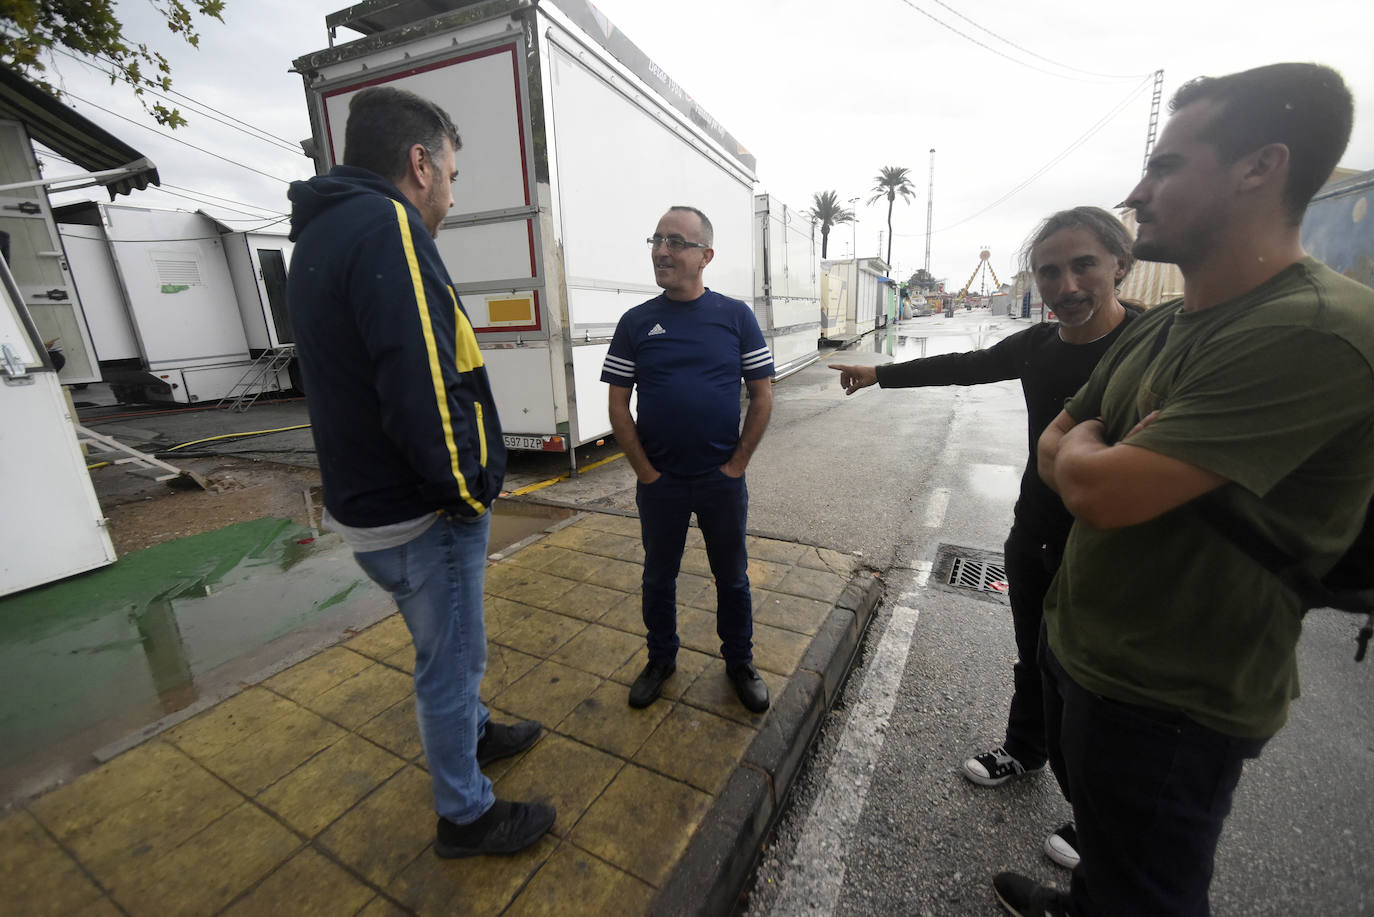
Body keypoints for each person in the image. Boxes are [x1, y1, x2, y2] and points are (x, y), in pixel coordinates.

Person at [994, 63, 1374, 917]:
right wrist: (1093, 449)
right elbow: (1064, 440)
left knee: (1152, 889)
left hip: (1173, 699)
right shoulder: (1169, 322)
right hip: (1090, 651)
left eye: (1166, 165)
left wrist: (1093, 451)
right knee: (1109, 847)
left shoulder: (1317, 330)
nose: (1137, 190)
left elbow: (1094, 488)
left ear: (1258, 167)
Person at [286, 85, 554, 859]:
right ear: (419, 163)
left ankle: (475, 735)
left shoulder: (325, 234)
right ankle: (466, 815)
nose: (450, 189)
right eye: (453, 172)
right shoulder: (389, 225)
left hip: (370, 503)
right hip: (421, 508)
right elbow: (422, 379)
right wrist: (468, 492)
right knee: (452, 660)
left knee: (447, 651)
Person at [831, 205, 1142, 870]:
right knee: (1034, 658)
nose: (1065, 284)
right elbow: (966, 365)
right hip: (1036, 534)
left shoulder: (1156, 344)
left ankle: (1103, 821)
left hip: (1117, 550)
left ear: (1120, 263)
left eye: (1083, 263)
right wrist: (878, 373)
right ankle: (1024, 748)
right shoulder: (1038, 345)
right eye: (1049, 271)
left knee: (1099, 694)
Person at [601, 205, 775, 713]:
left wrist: (737, 465)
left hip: (721, 480)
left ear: (706, 256)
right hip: (663, 484)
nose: (662, 251)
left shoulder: (736, 317)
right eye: (656, 239)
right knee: (658, 577)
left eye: (676, 242)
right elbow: (617, 404)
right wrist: (646, 473)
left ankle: (740, 661)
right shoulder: (637, 322)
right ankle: (660, 659)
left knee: (733, 577)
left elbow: (762, 397)